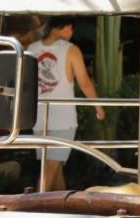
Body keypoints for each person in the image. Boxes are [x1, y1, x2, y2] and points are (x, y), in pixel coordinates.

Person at [28, 16, 105, 191]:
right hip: (63, 119)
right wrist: (98, 106)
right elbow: (84, 83)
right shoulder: (71, 50)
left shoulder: (32, 49)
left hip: (38, 117)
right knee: (49, 170)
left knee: (55, 167)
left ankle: (61, 204)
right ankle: (37, 205)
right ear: (68, 27)